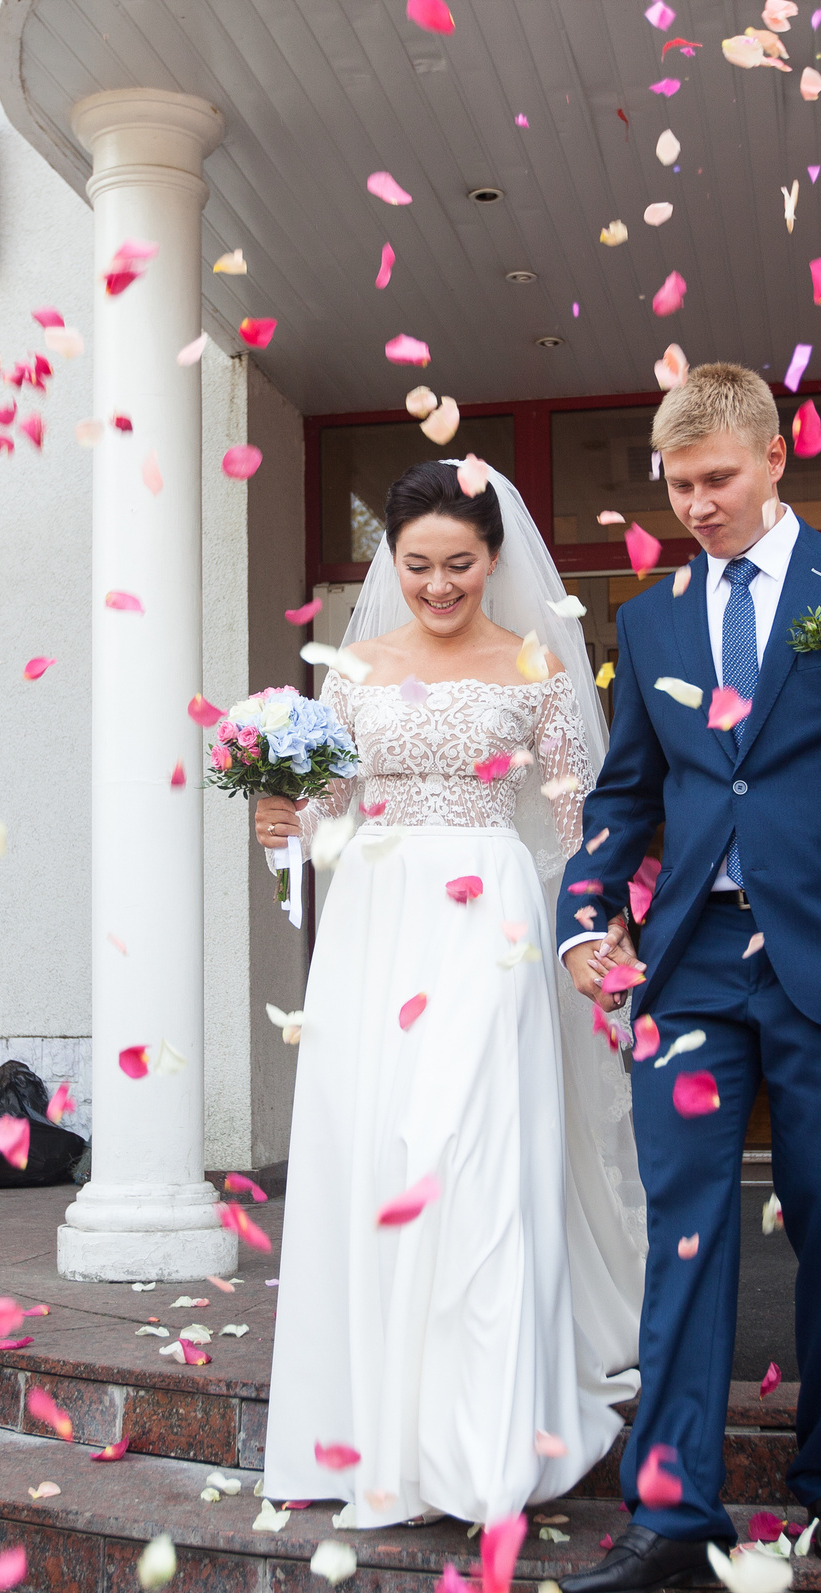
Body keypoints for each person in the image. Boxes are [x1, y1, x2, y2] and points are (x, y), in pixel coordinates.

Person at [551, 362, 821, 1593]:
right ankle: (673, 1509)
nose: (696, 503)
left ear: (775, 455)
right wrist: (586, 911)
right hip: (692, 967)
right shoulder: (649, 620)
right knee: (680, 1231)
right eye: (678, 485)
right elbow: (630, 790)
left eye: (717, 479)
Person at [252, 462, 648, 1527]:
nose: (436, 584)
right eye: (416, 564)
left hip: (492, 923)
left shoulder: (532, 665)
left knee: (464, 1148)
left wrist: (600, 925)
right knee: (379, 1152)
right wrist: (282, 815)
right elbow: (326, 803)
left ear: (493, 558)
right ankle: (375, 1427)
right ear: (391, 561)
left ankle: (483, 1435)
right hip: (377, 921)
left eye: (458, 564)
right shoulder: (354, 669)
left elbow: (575, 824)